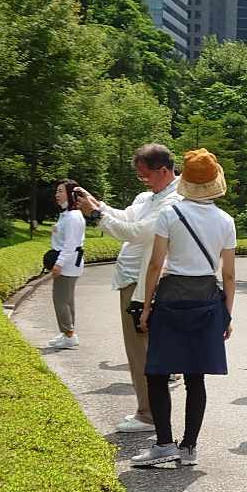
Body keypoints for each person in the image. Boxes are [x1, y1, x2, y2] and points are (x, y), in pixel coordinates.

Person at [134, 149, 238, 471]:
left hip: (172, 297)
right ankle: (189, 447)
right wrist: (227, 314)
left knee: (157, 372)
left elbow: (156, 265)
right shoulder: (225, 221)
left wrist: (146, 307)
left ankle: (164, 444)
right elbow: (229, 274)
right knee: (196, 375)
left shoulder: (170, 213)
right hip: (206, 297)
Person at [72, 146, 180, 434]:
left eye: (145, 175)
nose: (142, 180)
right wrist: (98, 205)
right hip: (135, 280)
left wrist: (96, 215)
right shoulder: (153, 196)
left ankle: (148, 415)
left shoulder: (173, 201)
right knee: (143, 349)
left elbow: (136, 232)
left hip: (143, 284)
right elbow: (128, 216)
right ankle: (150, 412)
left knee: (140, 351)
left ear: (163, 170)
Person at [44, 180, 86, 350]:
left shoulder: (73, 217)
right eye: (57, 191)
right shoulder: (66, 215)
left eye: (61, 191)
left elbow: (70, 244)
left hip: (68, 263)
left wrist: (59, 264)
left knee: (61, 300)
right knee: (67, 300)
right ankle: (67, 333)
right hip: (68, 261)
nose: (57, 194)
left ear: (70, 194)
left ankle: (69, 334)